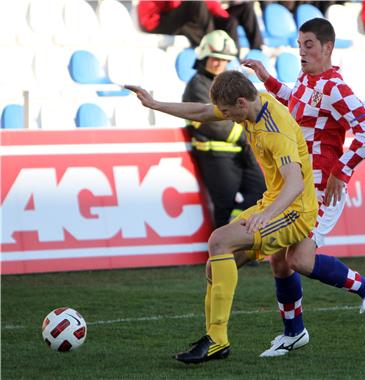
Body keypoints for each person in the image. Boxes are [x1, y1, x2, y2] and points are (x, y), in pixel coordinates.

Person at [125, 70, 319, 364]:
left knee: (219, 241)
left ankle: (217, 341)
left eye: (228, 112)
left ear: (241, 102)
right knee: (215, 269)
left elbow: (294, 184)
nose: (226, 117)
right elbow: (203, 111)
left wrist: (266, 215)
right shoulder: (253, 105)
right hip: (275, 203)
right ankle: (217, 340)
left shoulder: (273, 129)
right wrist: (155, 104)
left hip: (295, 211)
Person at [242, 17, 365, 357]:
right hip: (299, 185)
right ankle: (294, 333)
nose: (302, 52)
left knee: (300, 260)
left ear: (327, 47)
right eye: (299, 45)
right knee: (279, 261)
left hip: (323, 186)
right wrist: (268, 79)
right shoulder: (308, 81)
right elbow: (297, 103)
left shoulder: (335, 86)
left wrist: (342, 170)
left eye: (308, 45)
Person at [183, 30, 266, 229]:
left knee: (261, 193)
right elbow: (209, 123)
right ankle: (222, 254)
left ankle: (238, 240)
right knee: (224, 205)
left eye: (225, 59)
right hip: (215, 154)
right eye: (215, 58)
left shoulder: (229, 82)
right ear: (204, 56)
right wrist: (246, 135)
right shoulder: (197, 85)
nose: (220, 63)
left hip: (242, 150)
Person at [137, 0, 263, 50]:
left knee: (237, 15)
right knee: (196, 3)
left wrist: (225, 19)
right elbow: (174, 4)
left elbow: (210, 4)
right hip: (155, 21)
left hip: (182, 16)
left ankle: (243, 53)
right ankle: (213, 46)